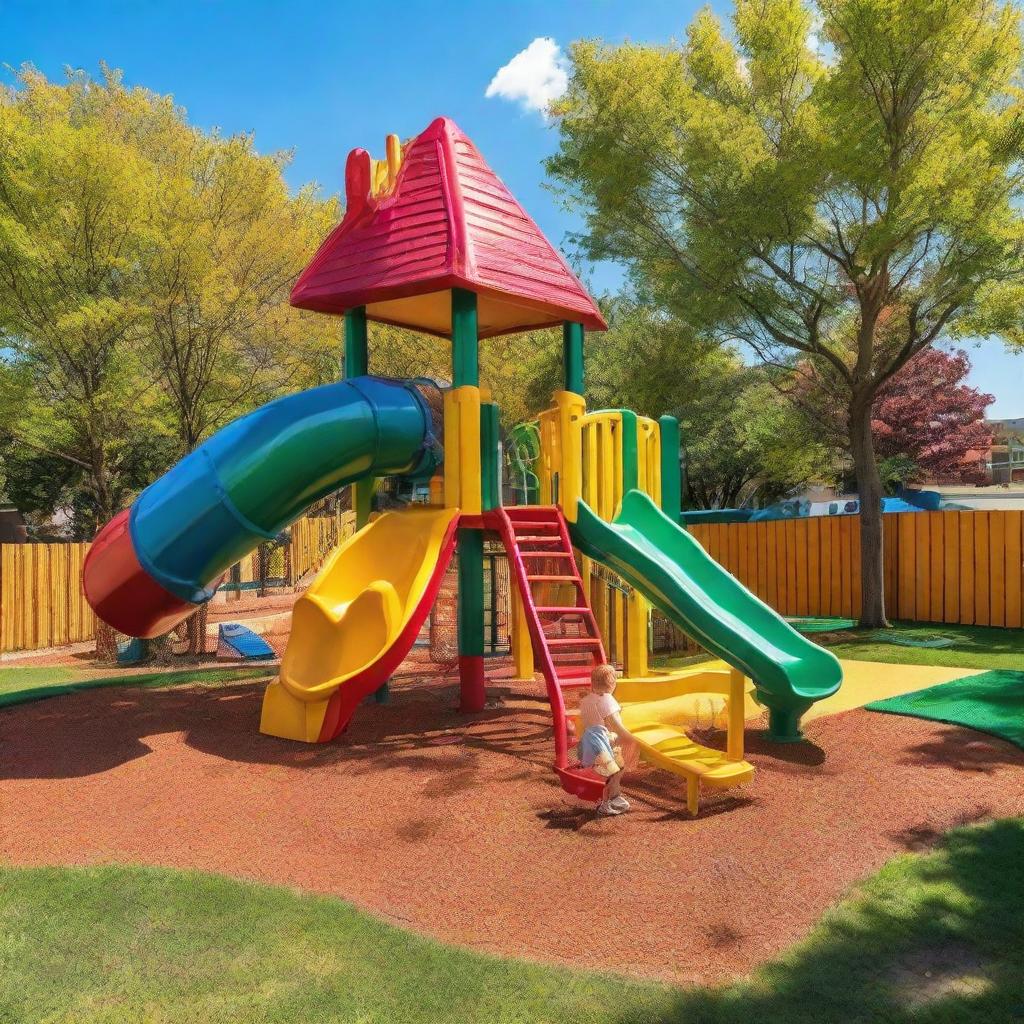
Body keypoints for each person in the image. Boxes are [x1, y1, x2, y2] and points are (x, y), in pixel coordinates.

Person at [577, 663, 638, 816]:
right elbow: (615, 725)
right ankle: (604, 804)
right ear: (612, 684)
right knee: (610, 772)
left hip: (587, 741)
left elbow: (591, 721)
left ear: (592, 683)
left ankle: (614, 796)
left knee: (616, 767)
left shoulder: (586, 700)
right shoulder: (607, 699)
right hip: (600, 741)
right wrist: (630, 738)